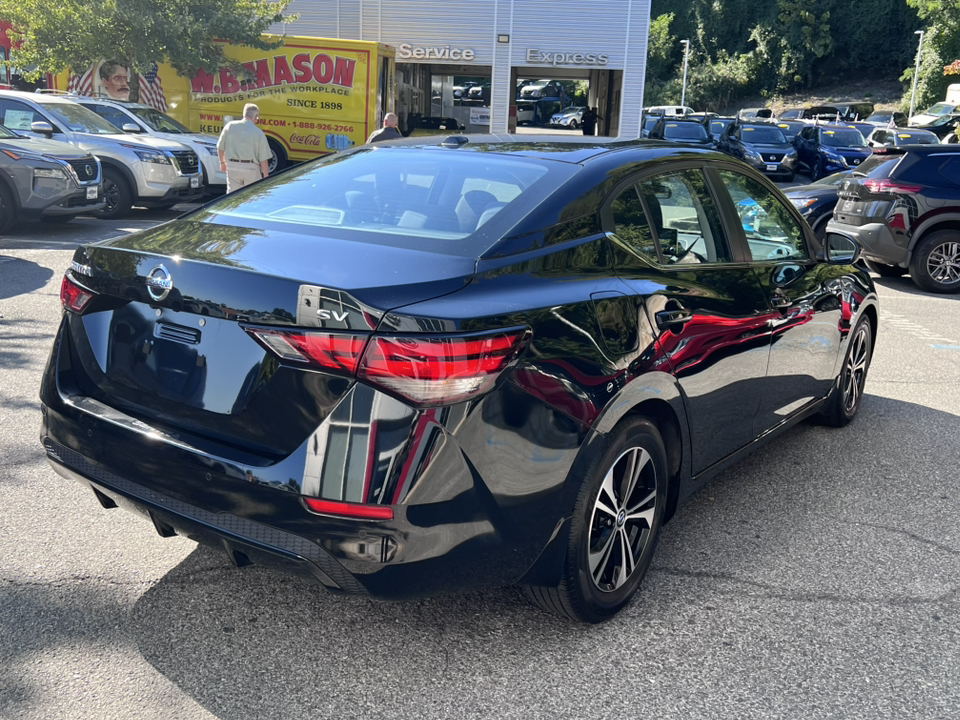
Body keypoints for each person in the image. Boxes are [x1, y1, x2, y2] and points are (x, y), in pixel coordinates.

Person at [217, 103, 272, 193]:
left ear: (244, 114)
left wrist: (222, 163)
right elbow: (263, 158)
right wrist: (265, 176)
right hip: (251, 168)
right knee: (251, 197)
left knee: (233, 198)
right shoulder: (258, 133)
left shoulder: (230, 126)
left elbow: (220, 146)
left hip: (233, 166)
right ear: (256, 117)